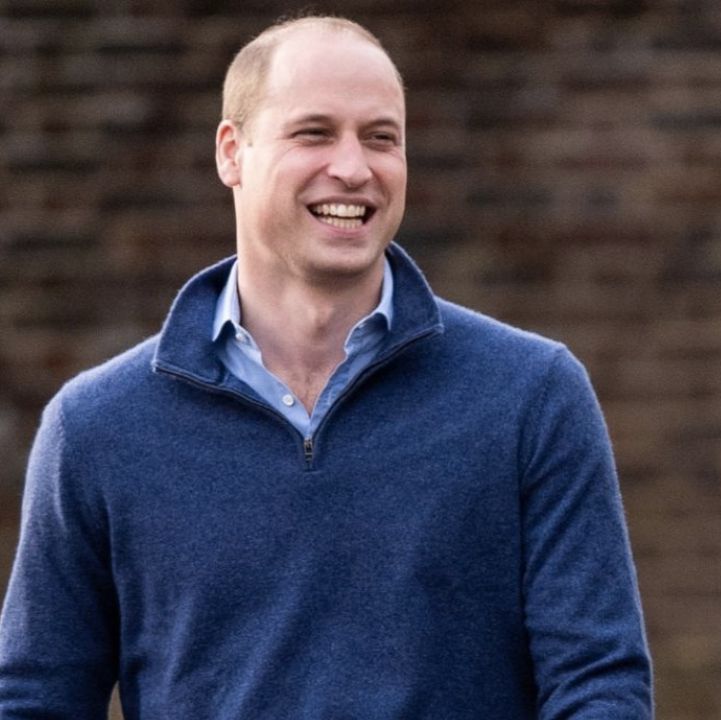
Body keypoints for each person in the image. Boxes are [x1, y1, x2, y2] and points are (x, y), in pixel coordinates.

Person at [0, 16, 652, 719]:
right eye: (314, 133)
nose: (354, 167)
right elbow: (38, 699)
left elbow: (598, 684)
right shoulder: (98, 428)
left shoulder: (530, 396)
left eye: (381, 138)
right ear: (232, 152)